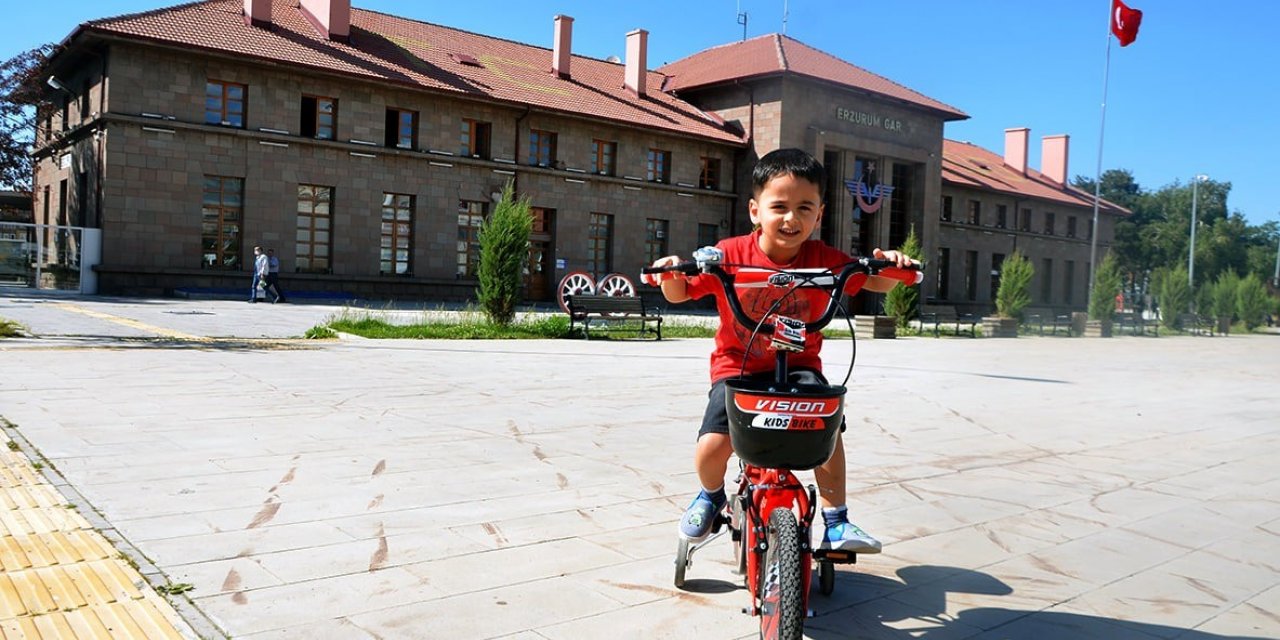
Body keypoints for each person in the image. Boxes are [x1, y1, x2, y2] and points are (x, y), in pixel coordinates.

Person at [641, 148, 916, 553]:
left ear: (820, 214)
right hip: (739, 366)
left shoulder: (825, 260)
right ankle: (710, 495)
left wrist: (890, 267)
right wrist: (670, 272)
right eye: (779, 206)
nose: (792, 218)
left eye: (805, 207)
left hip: (801, 365)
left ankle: (836, 519)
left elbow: (873, 282)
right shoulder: (730, 255)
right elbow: (680, 292)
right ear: (755, 210)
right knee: (713, 445)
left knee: (827, 431)